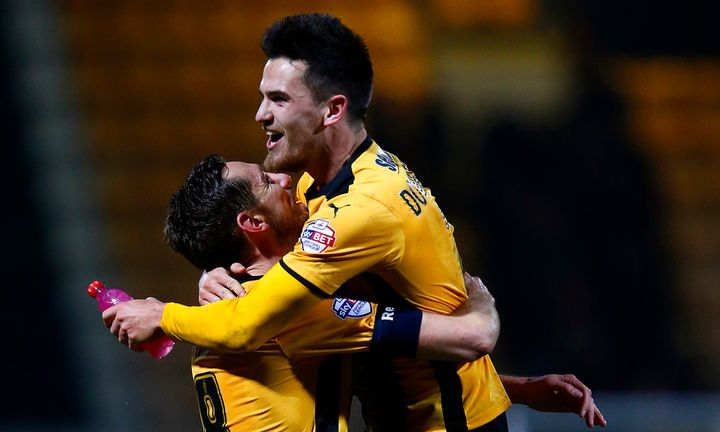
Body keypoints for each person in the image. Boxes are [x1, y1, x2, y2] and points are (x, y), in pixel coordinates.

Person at [103, 13, 605, 430]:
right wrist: (216, 268)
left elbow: (260, 321)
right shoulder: (315, 190)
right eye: (263, 96)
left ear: (332, 110)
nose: (260, 114)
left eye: (278, 99)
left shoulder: (360, 214)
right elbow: (418, 332)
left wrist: (164, 312)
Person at [171, 155, 604, 430]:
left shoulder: (236, 301)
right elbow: (471, 338)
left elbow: (368, 362)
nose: (285, 178)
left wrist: (519, 389)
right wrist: (482, 304)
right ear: (253, 224)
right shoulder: (294, 310)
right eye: (267, 181)